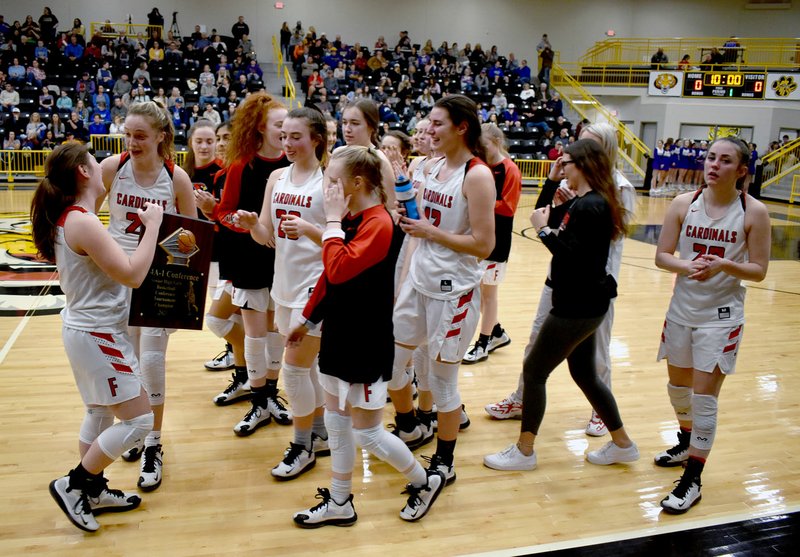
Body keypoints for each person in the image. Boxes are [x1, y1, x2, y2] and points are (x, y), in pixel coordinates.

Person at [289, 146, 445, 527]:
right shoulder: (355, 218)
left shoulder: (379, 224)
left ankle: (425, 481)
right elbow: (329, 279)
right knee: (339, 426)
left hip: (367, 344)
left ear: (356, 183)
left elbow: (339, 268)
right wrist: (307, 321)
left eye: (332, 182)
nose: (327, 189)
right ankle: (340, 501)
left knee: (369, 435)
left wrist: (327, 221)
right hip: (338, 337)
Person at [484, 138, 639, 471]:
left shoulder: (592, 206)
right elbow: (541, 214)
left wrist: (544, 233)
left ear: (581, 165)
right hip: (583, 302)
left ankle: (525, 451)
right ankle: (623, 444)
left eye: (565, 162)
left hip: (578, 304)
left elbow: (575, 258)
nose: (561, 165)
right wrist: (552, 182)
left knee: (535, 370)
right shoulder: (582, 201)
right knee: (585, 374)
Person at [31, 142, 163, 532]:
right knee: (140, 421)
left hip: (85, 329)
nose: (101, 163)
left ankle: (94, 490)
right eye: (93, 159)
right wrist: (153, 224)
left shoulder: (77, 216)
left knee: (99, 412)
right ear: (84, 172)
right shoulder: (82, 221)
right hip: (97, 334)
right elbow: (133, 275)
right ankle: (76, 484)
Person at [654, 137, 770, 513]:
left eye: (725, 160)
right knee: (677, 388)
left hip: (721, 317)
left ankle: (693, 478)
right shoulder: (683, 203)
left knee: (704, 399)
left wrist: (724, 266)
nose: (713, 165)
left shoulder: (753, 212)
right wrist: (687, 266)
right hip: (681, 310)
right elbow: (661, 256)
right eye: (710, 158)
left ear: (741, 170)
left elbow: (759, 270)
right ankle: (688, 441)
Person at [387, 94, 495, 485]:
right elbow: (416, 218)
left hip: (455, 292)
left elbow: (484, 244)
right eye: (428, 123)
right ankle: (410, 425)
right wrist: (405, 213)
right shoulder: (429, 166)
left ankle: (445, 461)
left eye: (436, 124)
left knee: (442, 381)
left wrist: (429, 231)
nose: (428, 130)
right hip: (418, 279)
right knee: (394, 363)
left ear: (461, 128)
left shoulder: (477, 175)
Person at [99, 101, 196, 492]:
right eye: (128, 134)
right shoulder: (111, 168)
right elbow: (86, 217)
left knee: (152, 361)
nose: (132, 141)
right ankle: (135, 429)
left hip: (158, 278)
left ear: (160, 137)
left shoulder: (176, 178)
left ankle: (154, 443)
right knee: (128, 361)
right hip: (118, 275)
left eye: (140, 135)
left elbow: (191, 238)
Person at [236, 107, 330, 480]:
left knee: (292, 371)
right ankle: (320, 432)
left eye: (296, 137)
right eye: (284, 135)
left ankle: (302, 444)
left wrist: (308, 228)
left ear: (316, 140)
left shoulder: (329, 183)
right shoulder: (276, 177)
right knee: (309, 371)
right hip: (284, 284)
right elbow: (268, 237)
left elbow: (342, 243)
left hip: (317, 286)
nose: (287, 143)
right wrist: (250, 226)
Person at [210, 92, 293, 435]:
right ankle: (258, 401)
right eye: (279, 125)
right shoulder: (242, 165)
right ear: (261, 127)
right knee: (256, 337)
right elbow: (222, 210)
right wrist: (243, 222)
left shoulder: (294, 164)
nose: (286, 130)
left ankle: (272, 395)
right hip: (249, 258)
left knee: (276, 335)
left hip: (284, 260)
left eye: (289, 125)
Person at [462, 124, 521, 364]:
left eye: (483, 146)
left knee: (488, 294)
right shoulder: (481, 165)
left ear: (496, 141)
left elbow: (508, 208)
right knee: (479, 291)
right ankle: (497, 333)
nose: (480, 151)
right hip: (480, 237)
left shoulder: (509, 169)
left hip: (497, 241)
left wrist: (478, 200)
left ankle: (484, 343)